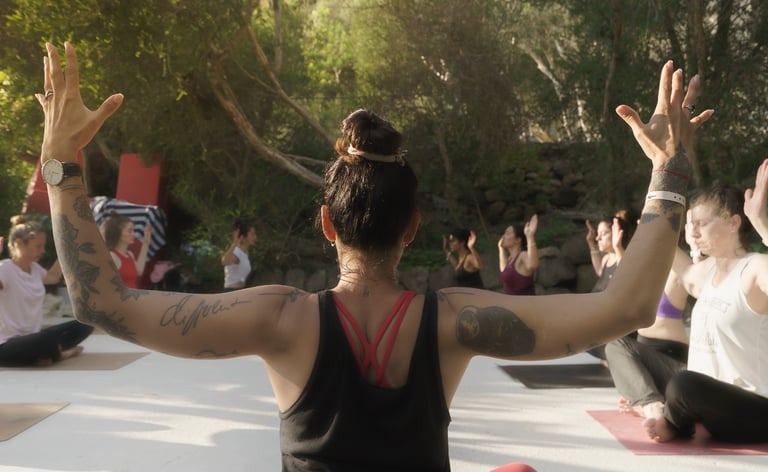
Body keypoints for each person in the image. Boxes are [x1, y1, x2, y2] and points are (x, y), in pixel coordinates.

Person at [39, 42, 709, 470]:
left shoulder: (279, 318)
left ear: (327, 225)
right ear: (412, 227)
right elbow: (624, 305)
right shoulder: (455, 320)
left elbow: (103, 304)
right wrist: (669, 174)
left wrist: (63, 165)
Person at [632, 177, 768, 444]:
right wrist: (655, 225)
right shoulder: (709, 271)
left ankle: (674, 422)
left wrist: (762, 223)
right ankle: (660, 408)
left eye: (701, 224)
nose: (692, 233)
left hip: (754, 410)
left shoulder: (755, 269)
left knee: (684, 384)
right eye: (690, 224)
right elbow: (682, 269)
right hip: (710, 401)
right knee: (624, 346)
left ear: (733, 223)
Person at [0, 216, 93, 366]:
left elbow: (54, 277)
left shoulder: (35, 269)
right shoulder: (5, 269)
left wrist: (68, 248)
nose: (42, 250)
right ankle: (58, 354)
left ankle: (46, 353)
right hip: (6, 344)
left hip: (32, 338)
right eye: (38, 246)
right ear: (19, 244)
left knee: (85, 324)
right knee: (45, 340)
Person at [584, 210, 637, 360]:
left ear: (616, 234)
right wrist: (591, 244)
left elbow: (625, 273)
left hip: (620, 335)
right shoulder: (608, 259)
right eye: (598, 234)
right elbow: (600, 271)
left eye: (604, 233)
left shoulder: (627, 258)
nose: (598, 237)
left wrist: (618, 247)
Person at [100, 210, 152, 289]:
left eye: (133, 230)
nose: (133, 234)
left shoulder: (130, 254)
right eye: (129, 231)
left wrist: (146, 243)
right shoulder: (112, 256)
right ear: (118, 233)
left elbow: (139, 271)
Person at [497, 215, 539, 295]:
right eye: (504, 233)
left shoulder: (522, 255)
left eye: (508, 233)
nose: (503, 236)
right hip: (512, 306)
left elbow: (533, 265)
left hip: (527, 306)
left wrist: (530, 236)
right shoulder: (510, 259)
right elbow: (503, 270)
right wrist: (501, 248)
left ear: (518, 240)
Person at [221, 219, 257, 291]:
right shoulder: (237, 252)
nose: (255, 237)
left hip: (240, 291)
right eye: (252, 234)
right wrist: (234, 243)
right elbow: (225, 262)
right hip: (231, 292)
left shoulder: (245, 253)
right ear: (243, 237)